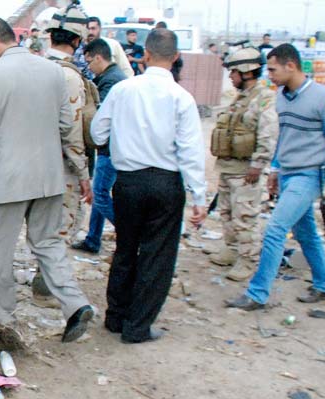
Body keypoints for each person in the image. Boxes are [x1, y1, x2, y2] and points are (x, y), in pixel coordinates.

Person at [0, 17, 94, 343]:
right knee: (48, 244)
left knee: (1, 252)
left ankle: (2, 316)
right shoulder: (52, 71)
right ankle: (75, 304)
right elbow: (67, 126)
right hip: (48, 177)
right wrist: (79, 172)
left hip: (7, 179)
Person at [91, 28, 207, 344]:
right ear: (177, 57)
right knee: (157, 255)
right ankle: (137, 326)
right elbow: (191, 150)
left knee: (126, 248)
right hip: (166, 183)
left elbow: (97, 129)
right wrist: (199, 195)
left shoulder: (123, 90)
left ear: (145, 54)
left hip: (128, 182)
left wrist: (114, 144)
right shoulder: (181, 98)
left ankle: (115, 318)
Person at [225, 44, 325, 311]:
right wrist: (276, 170)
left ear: (291, 66)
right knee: (306, 233)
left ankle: (258, 294)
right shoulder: (281, 97)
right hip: (289, 174)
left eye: (273, 69)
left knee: (275, 229)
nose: (269, 75)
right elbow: (283, 137)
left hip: (311, 174)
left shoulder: (324, 98)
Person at [207, 48, 277, 282]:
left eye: (234, 72)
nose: (231, 77)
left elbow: (268, 136)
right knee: (227, 211)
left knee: (245, 216)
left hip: (247, 171)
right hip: (229, 168)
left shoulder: (264, 97)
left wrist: (257, 166)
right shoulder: (240, 97)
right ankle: (232, 248)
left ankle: (249, 260)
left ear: (247, 72)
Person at [71, 38, 126, 255]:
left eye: (89, 62)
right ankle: (93, 239)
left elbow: (100, 117)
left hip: (110, 148)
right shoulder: (112, 77)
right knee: (100, 193)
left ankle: (128, 231)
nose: (89, 67)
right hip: (111, 147)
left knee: (100, 194)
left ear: (99, 57)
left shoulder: (110, 82)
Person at [44, 5, 92, 247]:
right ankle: (50, 283)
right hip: (61, 167)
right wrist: (83, 174)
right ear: (76, 40)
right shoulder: (69, 76)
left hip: (32, 164)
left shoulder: (34, 68)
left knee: (40, 231)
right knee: (59, 235)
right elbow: (71, 133)